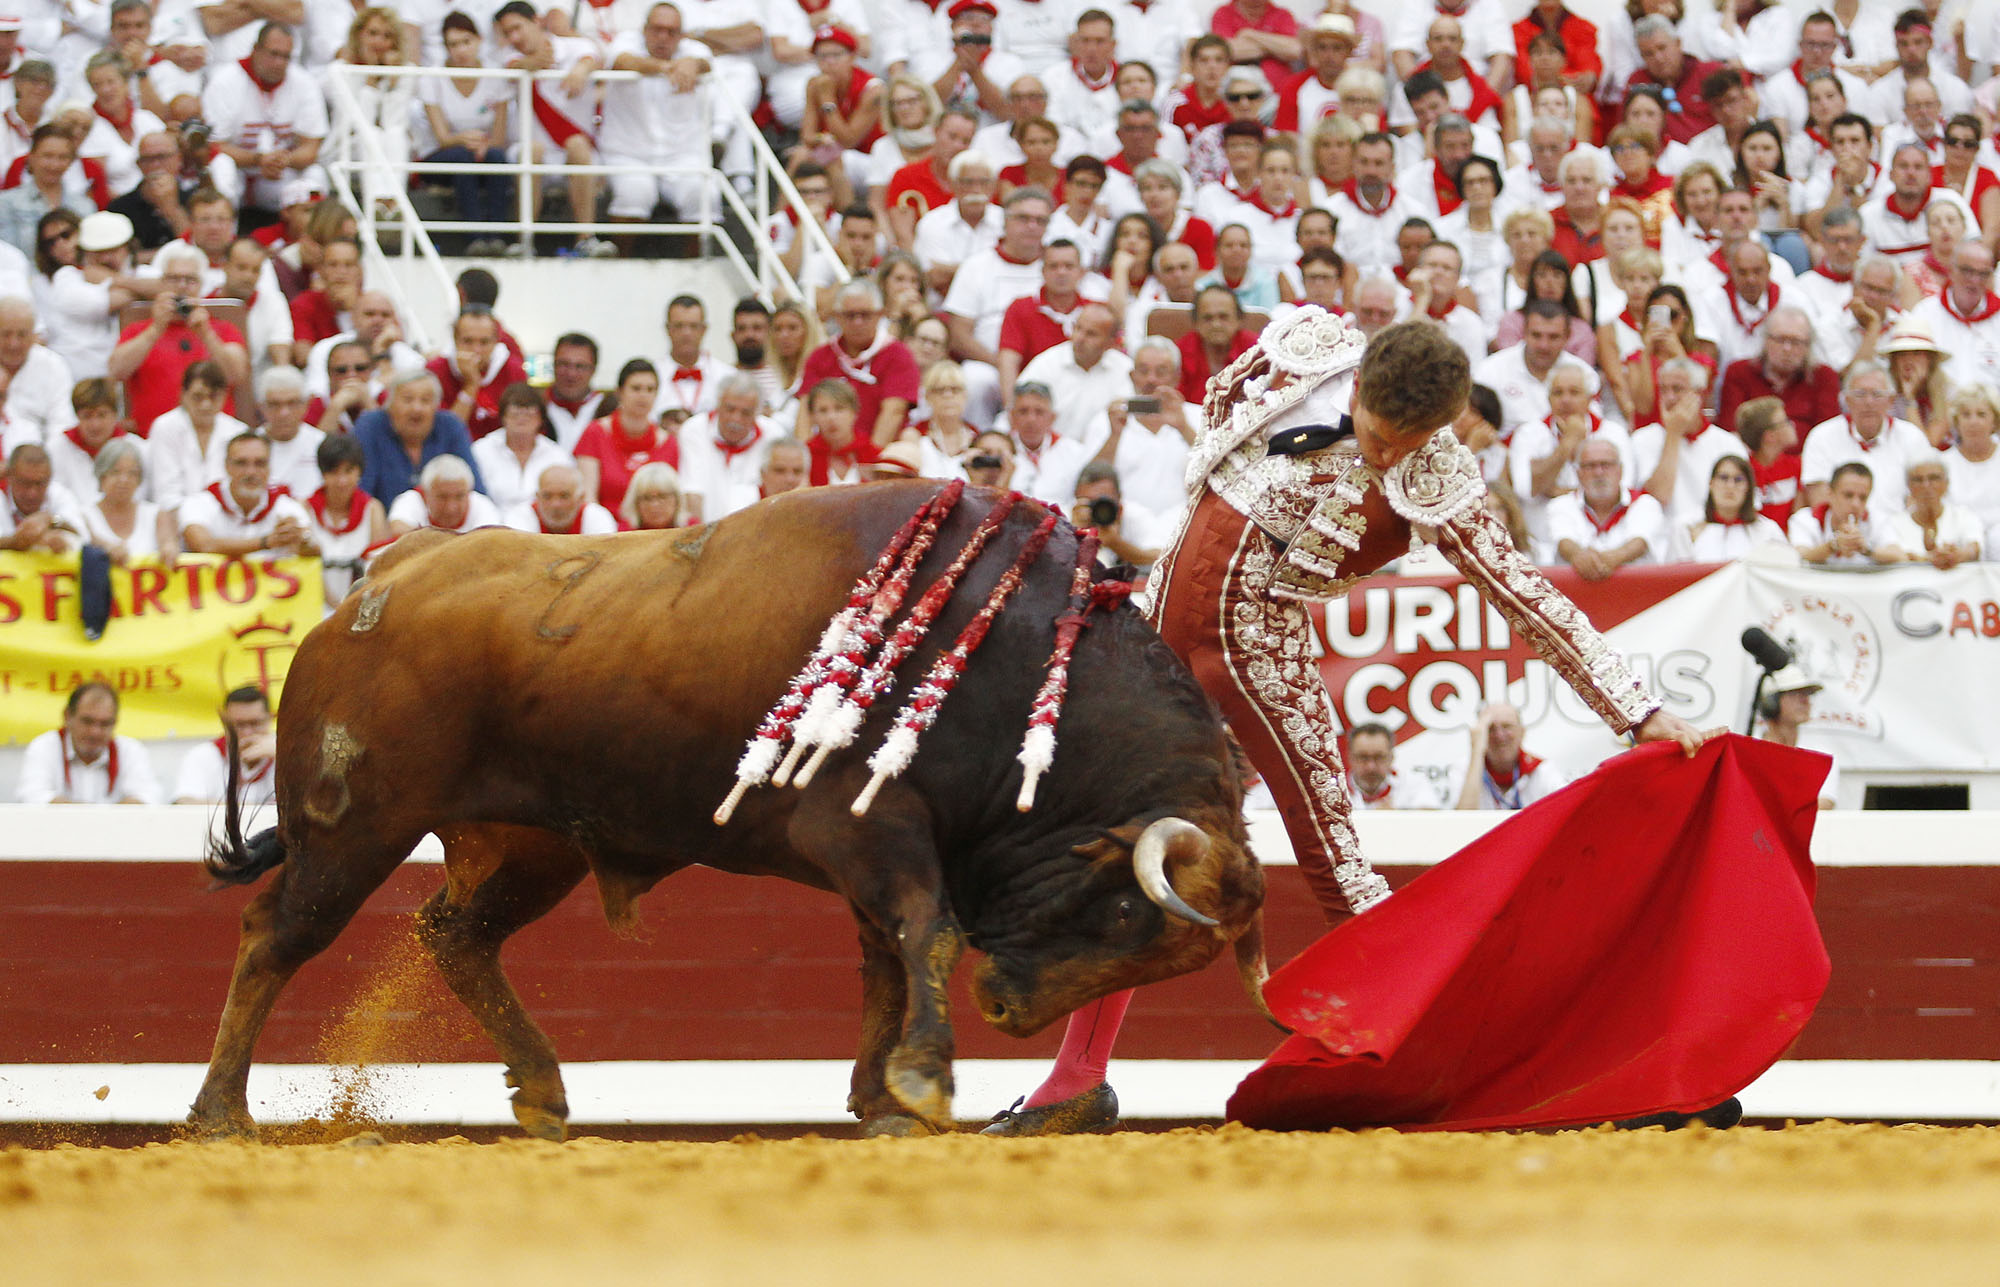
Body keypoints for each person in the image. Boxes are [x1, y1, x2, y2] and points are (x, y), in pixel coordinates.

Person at [986, 312, 1714, 1136]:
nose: (1388, 457)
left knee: (1338, 861)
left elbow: (1528, 598)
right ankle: (1076, 1079)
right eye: (1379, 434)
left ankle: (1486, 1068)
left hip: (1260, 646)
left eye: (1412, 443)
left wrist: (1638, 710)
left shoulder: (1440, 476)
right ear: (1359, 384)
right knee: (1124, 842)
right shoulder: (1305, 347)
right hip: (1159, 625)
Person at [107, 244, 248, 433]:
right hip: (152, 437)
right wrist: (156, 329)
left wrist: (206, 334)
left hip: (213, 436)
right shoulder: (138, 330)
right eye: (173, 279)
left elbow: (236, 376)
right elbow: (116, 371)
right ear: (161, 283)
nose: (181, 286)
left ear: (201, 285)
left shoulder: (223, 329)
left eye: (190, 280)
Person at [201, 23, 327, 212]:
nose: (279, 63)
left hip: (280, 173)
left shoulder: (304, 83)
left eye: (286, 56)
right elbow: (213, 146)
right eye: (273, 54)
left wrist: (284, 161)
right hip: (240, 172)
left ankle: (307, 237)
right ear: (256, 50)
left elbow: (311, 147)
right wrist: (258, 160)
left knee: (315, 175)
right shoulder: (225, 81)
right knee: (221, 166)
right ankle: (226, 235)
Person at [418, 10, 515, 254]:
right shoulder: (433, 78)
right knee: (462, 157)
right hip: (443, 156)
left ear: (479, 40)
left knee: (497, 158)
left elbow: (500, 138)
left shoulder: (496, 76)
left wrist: (484, 144)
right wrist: (465, 139)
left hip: (482, 152)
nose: (460, 50)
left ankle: (496, 237)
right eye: (453, 44)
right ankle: (474, 239)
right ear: (445, 47)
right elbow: (442, 138)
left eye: (466, 42)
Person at [1800, 360, 1937, 512]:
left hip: (1899, 531)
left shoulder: (1912, 437)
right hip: (1841, 531)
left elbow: (1924, 495)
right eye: (1860, 394)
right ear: (1846, 400)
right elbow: (1820, 503)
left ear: (1891, 401)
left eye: (1877, 394)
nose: (1869, 402)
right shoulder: (1822, 436)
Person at [1078, 336, 1192, 517]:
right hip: (1121, 528)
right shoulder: (1106, 421)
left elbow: (1224, 473)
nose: (1151, 380)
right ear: (1132, 376)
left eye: (1161, 372)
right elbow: (1088, 483)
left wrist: (1184, 428)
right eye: (1143, 371)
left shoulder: (1199, 417)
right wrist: (1114, 436)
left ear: (1177, 377)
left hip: (1184, 525)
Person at [798, 279, 921, 447]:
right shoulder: (820, 356)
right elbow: (805, 412)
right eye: (850, 315)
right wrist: (806, 458)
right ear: (837, 317)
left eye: (865, 315)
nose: (857, 322)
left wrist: (867, 460)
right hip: (828, 455)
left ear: (880, 314)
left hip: (881, 457)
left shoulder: (898, 355)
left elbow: (894, 412)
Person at [1629, 358, 1749, 528]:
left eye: (1677, 389)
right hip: (1663, 540)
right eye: (1663, 390)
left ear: (1700, 394)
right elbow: (1658, 498)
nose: (1670, 398)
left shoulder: (1728, 444)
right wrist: (1673, 435)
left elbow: (1744, 506)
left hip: (1713, 535)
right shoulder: (1641, 440)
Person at [179, 430, 317, 561]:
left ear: (269, 468)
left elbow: (314, 550)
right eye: (241, 463)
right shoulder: (200, 503)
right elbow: (203, 545)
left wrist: (301, 539)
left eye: (260, 464)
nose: (251, 472)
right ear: (226, 466)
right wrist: (266, 542)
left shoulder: (286, 506)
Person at [14, 683, 161, 805]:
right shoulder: (44, 746)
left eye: (105, 724)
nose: (95, 732)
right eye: (87, 721)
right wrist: (89, 816)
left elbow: (149, 796)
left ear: (115, 722)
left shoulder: (131, 750)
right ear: (67, 716)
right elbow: (31, 795)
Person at [355, 368, 484, 506]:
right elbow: (361, 492)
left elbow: (474, 491)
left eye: (425, 400)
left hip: (443, 524)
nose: (416, 408)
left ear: (436, 407)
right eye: (408, 399)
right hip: (384, 523)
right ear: (390, 404)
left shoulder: (450, 426)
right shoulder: (370, 426)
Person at [1546, 435, 1668, 576]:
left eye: (1606, 464)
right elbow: (1564, 542)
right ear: (1578, 473)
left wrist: (1610, 559)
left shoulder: (1645, 503)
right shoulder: (1560, 505)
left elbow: (1640, 543)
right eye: (1590, 466)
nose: (1599, 472)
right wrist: (1579, 556)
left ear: (1620, 470)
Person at [1716, 305, 1841, 438]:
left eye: (1795, 342)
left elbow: (1828, 435)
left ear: (1808, 345)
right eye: (1780, 340)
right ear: (1765, 340)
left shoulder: (1824, 377)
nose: (1787, 348)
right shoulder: (1739, 372)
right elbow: (1730, 430)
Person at [1018, 302, 1132, 445]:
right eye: (1078, 328)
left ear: (1111, 342)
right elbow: (1018, 409)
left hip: (1104, 457)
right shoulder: (1046, 364)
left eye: (1091, 334)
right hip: (1052, 454)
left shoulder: (1125, 370)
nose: (1079, 338)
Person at [147, 360, 246, 514]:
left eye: (213, 396)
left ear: (224, 396)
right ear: (183, 395)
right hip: (175, 519)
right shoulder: (165, 427)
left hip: (227, 519)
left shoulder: (238, 432)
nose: (205, 404)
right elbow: (166, 495)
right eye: (198, 397)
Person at [677, 372, 778, 520]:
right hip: (705, 532)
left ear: (757, 413)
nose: (735, 419)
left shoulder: (774, 435)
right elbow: (692, 493)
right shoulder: (693, 430)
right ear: (718, 405)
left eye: (745, 413)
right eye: (730, 409)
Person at [304, 433, 389, 602]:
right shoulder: (304, 510)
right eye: (334, 472)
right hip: (312, 607)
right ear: (322, 473)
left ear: (360, 472)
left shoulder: (373, 510)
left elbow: (379, 571)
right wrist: (335, 608)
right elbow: (303, 569)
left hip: (359, 609)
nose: (342, 481)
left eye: (349, 471)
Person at [1908, 238, 2000, 392]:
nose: (1974, 280)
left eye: (1983, 274)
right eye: (1967, 271)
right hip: (1938, 411)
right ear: (1950, 270)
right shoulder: (1925, 313)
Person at [472, 382, 574, 513]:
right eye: (515, 412)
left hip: (541, 529)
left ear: (541, 419)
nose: (522, 418)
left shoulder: (558, 456)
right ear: (503, 417)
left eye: (530, 413)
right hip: (492, 528)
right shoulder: (480, 451)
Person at [173, 686, 279, 812]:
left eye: (255, 723)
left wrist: (283, 756)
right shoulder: (205, 755)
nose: (247, 732)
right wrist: (253, 809)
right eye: (239, 725)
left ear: (270, 718)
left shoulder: (283, 752)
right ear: (225, 723)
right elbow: (185, 802)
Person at [1454, 702, 1571, 811]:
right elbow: (1460, 823)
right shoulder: (1464, 769)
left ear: (1522, 732)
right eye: (1491, 729)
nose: (1499, 735)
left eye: (1506, 726)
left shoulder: (1541, 770)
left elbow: (1568, 810)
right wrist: (1477, 750)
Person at [1671, 454, 1790, 562]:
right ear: (1711, 484)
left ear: (1748, 488)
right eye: (1723, 478)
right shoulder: (1686, 528)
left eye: (1738, 480)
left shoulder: (1767, 530)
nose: (1730, 486)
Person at [80, 435, 177, 564]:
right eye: (115, 472)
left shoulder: (156, 514)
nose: (124, 480)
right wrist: (105, 547)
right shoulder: (84, 516)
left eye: (132, 473)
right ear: (102, 476)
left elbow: (168, 542)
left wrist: (169, 548)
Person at [1788, 460, 1906, 566]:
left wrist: (1866, 549)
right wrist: (1833, 546)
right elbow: (1799, 556)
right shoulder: (1805, 519)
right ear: (1830, 494)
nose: (1855, 504)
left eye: (1863, 498)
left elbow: (1899, 556)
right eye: (1848, 495)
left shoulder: (1877, 520)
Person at [1755, 665, 1837, 810]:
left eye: (1807, 695)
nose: (1806, 702)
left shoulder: (1821, 755)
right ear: (1771, 703)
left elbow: (1825, 804)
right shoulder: (1747, 750)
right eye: (1795, 694)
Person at [998, 380, 1089, 505]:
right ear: (1012, 416)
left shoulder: (1074, 452)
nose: (1031, 419)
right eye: (1023, 411)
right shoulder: (999, 449)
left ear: (1052, 418)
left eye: (1039, 412)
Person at [1882, 455, 1981, 569]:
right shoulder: (1894, 523)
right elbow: (1887, 552)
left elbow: (1974, 547)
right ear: (1908, 486)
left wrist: (1957, 555)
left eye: (1933, 478)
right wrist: (1927, 559)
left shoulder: (1964, 516)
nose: (1926, 486)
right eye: (1918, 479)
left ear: (1946, 483)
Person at [386, 454, 503, 536]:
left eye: (459, 496)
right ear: (425, 493)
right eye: (442, 497)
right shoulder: (411, 500)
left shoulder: (482, 504)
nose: (451, 508)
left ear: (469, 493)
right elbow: (397, 528)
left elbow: (490, 537)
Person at [0, 443, 86, 553]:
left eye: (40, 483)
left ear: (49, 479)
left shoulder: (60, 494)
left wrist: (51, 521)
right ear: (9, 477)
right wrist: (16, 542)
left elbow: (83, 537)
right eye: (25, 483)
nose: (32, 493)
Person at [1735, 396, 1803, 526]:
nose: (1792, 424)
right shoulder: (1744, 471)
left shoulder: (1797, 466)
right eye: (1786, 421)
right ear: (1770, 436)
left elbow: (1798, 516)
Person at [800, 378, 880, 486]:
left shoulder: (876, 456)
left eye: (839, 408)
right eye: (823, 410)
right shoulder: (804, 457)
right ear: (812, 416)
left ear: (854, 412)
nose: (831, 417)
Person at [1344, 721, 1439, 810]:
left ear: (1391, 758)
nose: (1371, 766)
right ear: (1350, 758)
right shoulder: (1335, 789)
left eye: (1379, 757)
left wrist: (1395, 817)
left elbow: (1432, 816)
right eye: (1363, 757)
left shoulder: (1413, 783)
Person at [504, 462, 619, 535]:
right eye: (547, 496)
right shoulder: (519, 516)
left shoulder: (597, 517)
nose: (555, 504)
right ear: (537, 498)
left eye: (564, 496)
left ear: (580, 498)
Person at [621, 461, 685, 530]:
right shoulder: (623, 534)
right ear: (635, 503)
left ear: (677, 499)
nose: (654, 504)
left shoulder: (692, 531)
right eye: (647, 498)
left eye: (662, 497)